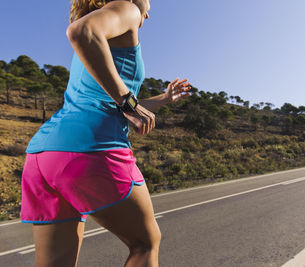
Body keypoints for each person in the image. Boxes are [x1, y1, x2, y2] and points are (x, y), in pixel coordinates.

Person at [20, 0, 191, 266]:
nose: (149, 10)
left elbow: (111, 103)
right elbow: (80, 32)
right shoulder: (127, 9)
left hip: (44, 155)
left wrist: (163, 98)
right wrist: (128, 101)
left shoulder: (102, 38)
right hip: (92, 149)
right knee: (145, 244)